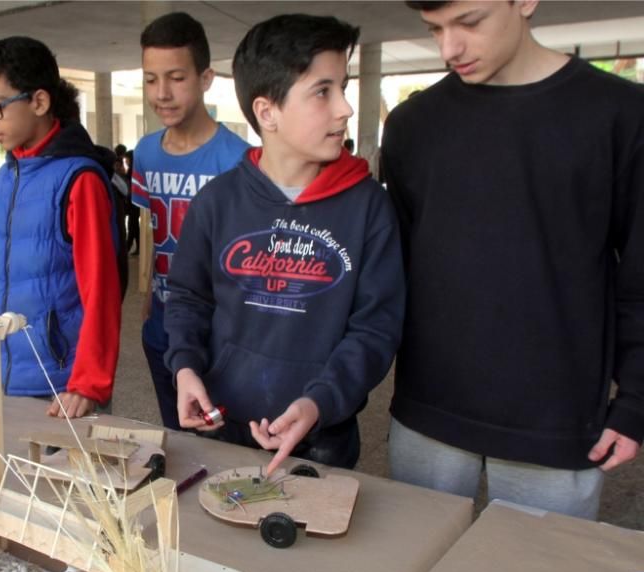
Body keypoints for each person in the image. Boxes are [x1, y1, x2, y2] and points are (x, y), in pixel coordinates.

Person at [381, 0, 644, 519]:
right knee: (417, 563)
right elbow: (396, 271)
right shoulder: (413, 124)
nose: (449, 47)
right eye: (434, 29)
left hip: (555, 417)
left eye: (469, 22)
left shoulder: (620, 113)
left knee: (540, 571)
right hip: (427, 410)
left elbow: (640, 273)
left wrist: (636, 398)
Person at [164, 14, 405, 475]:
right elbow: (187, 298)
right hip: (222, 425)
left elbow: (375, 329)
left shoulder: (369, 207)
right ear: (267, 112)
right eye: (323, 92)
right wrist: (186, 368)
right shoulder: (217, 202)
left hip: (323, 437)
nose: (345, 109)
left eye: (343, 88)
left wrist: (320, 401)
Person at [0, 36, 122, 418]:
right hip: (7, 375)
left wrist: (88, 384)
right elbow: (6, 282)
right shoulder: (7, 175)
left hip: (63, 386)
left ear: (39, 102)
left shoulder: (80, 180)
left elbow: (102, 291)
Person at [131, 11, 250, 430]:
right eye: (150, 79)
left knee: (222, 445)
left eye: (176, 78)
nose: (161, 93)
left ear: (205, 78)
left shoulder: (238, 159)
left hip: (219, 334)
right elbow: (149, 231)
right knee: (176, 435)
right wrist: (148, 302)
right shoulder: (145, 152)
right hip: (161, 326)